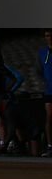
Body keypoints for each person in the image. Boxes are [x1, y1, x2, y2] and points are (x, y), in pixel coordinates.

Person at [41, 28, 52, 158]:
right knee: (49, 118)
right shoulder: (42, 53)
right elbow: (39, 70)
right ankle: (50, 146)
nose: (48, 37)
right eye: (47, 35)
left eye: (50, 35)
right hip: (49, 91)